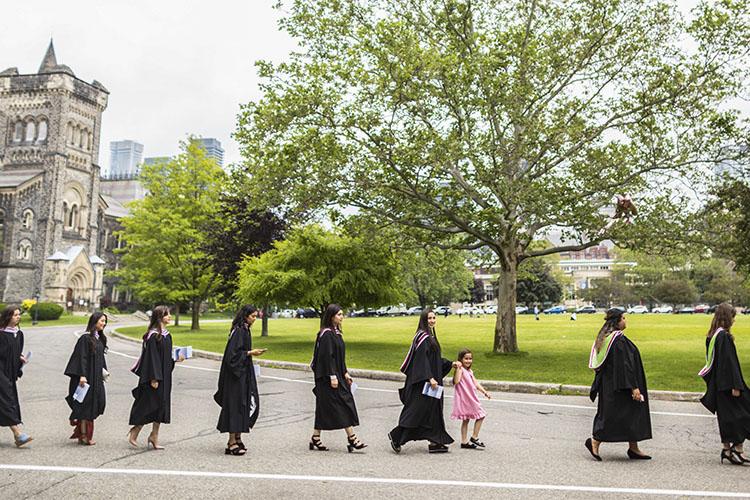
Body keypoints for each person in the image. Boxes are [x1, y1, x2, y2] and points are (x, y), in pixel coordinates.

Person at [585, 308, 651, 461]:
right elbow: (625, 366)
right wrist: (634, 387)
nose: (625, 320)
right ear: (617, 321)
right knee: (614, 416)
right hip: (620, 387)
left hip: (611, 385)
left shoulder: (605, 338)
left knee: (631, 414)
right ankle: (594, 442)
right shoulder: (617, 340)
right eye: (624, 318)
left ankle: (633, 448)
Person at [388, 309, 454, 453]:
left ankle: (436, 441)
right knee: (417, 411)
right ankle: (397, 436)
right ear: (424, 320)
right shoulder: (423, 337)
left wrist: (450, 363)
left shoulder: (430, 336)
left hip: (431, 382)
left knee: (433, 410)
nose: (432, 320)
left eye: (433, 318)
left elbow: (433, 359)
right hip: (423, 383)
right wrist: (430, 377)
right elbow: (421, 361)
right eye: (429, 318)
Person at [309, 304, 366, 452]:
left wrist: (345, 372)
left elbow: (339, 357)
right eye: (339, 314)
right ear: (332, 316)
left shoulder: (336, 333)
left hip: (337, 374)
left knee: (324, 408)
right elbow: (327, 358)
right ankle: (352, 438)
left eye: (342, 314)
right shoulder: (326, 334)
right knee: (342, 405)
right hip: (328, 377)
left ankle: (315, 438)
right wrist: (333, 376)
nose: (342, 317)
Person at [699, 303, 750, 465]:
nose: (734, 321)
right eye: (733, 317)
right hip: (729, 385)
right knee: (743, 414)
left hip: (719, 385)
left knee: (727, 417)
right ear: (727, 318)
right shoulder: (724, 337)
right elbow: (729, 364)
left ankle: (727, 449)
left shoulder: (711, 336)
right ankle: (737, 449)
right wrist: (736, 385)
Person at [127, 306, 184, 449]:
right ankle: (135, 430)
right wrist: (154, 378)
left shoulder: (167, 335)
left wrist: (175, 359)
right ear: (159, 317)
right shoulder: (152, 336)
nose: (170, 316)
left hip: (165, 376)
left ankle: (154, 435)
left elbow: (165, 358)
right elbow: (152, 359)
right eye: (167, 314)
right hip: (154, 377)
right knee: (149, 404)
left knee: (162, 405)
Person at [214, 305, 267, 455]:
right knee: (235, 407)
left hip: (243, 375)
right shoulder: (238, 331)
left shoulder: (244, 329)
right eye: (252, 316)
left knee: (243, 405)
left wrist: (249, 354)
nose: (254, 319)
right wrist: (251, 352)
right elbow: (232, 357)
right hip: (235, 377)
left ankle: (238, 438)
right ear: (245, 316)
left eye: (256, 317)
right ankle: (231, 442)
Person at [64, 312, 108, 445]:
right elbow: (81, 357)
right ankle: (84, 435)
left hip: (96, 379)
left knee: (97, 403)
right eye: (102, 321)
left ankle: (83, 433)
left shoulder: (99, 339)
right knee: (85, 407)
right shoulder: (85, 339)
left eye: (105, 321)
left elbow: (101, 358)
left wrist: (104, 372)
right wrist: (82, 375)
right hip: (86, 379)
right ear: (94, 321)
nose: (104, 323)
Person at [0, 306, 31, 447]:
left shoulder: (19, 335)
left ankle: (18, 435)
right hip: (1, 373)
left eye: (19, 314)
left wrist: (20, 358)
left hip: (10, 374)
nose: (18, 317)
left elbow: (15, 353)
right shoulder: (1, 334)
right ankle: (18, 434)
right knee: (7, 400)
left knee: (5, 401)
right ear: (8, 317)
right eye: (15, 315)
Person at [450, 348, 490, 449]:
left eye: (470, 358)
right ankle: (474, 437)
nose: (468, 361)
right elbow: (456, 381)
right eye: (466, 358)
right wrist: (458, 368)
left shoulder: (469, 371)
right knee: (481, 415)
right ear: (461, 359)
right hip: (466, 399)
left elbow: (476, 383)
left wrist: (484, 392)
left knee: (466, 419)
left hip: (470, 397)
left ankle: (464, 442)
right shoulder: (461, 370)